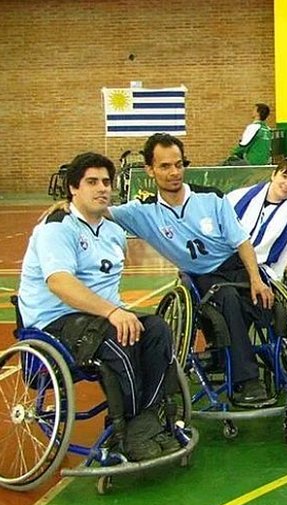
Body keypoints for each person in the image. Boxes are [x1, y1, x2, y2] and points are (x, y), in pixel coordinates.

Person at [18, 152, 181, 461]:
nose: (102, 188)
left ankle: (143, 422)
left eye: (106, 182)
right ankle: (129, 430)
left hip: (100, 317)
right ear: (73, 188)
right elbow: (60, 283)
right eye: (91, 182)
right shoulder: (56, 228)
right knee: (119, 338)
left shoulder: (113, 232)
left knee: (157, 329)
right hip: (56, 322)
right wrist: (112, 312)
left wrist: (115, 312)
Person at [110, 133, 276, 406]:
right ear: (150, 170)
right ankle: (248, 380)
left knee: (270, 300)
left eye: (178, 164)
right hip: (201, 277)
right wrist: (66, 207)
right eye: (164, 166)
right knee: (229, 301)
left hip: (235, 265)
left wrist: (256, 279)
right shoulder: (143, 211)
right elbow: (102, 210)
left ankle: (272, 358)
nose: (174, 172)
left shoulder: (210, 198)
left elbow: (241, 241)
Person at [226, 156, 287, 281]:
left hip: (263, 272)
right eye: (284, 176)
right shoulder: (236, 197)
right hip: (224, 263)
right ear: (273, 175)